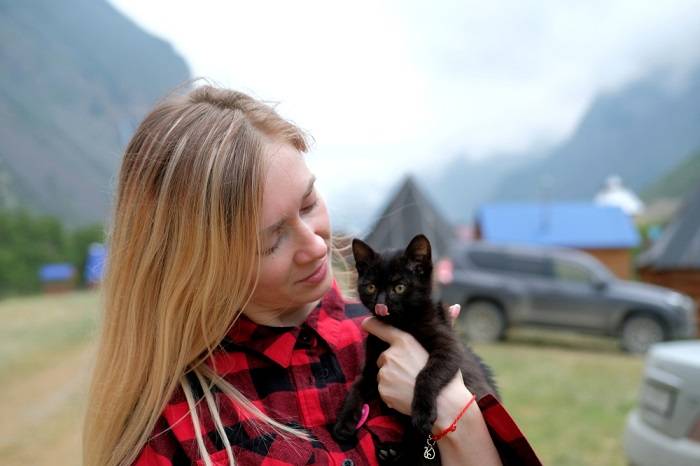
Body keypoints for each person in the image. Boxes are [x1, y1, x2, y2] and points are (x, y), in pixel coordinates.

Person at [82, 83, 541, 466]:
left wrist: (453, 412)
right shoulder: (173, 428)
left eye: (308, 203)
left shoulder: (386, 332)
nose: (317, 244)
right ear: (197, 267)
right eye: (271, 240)